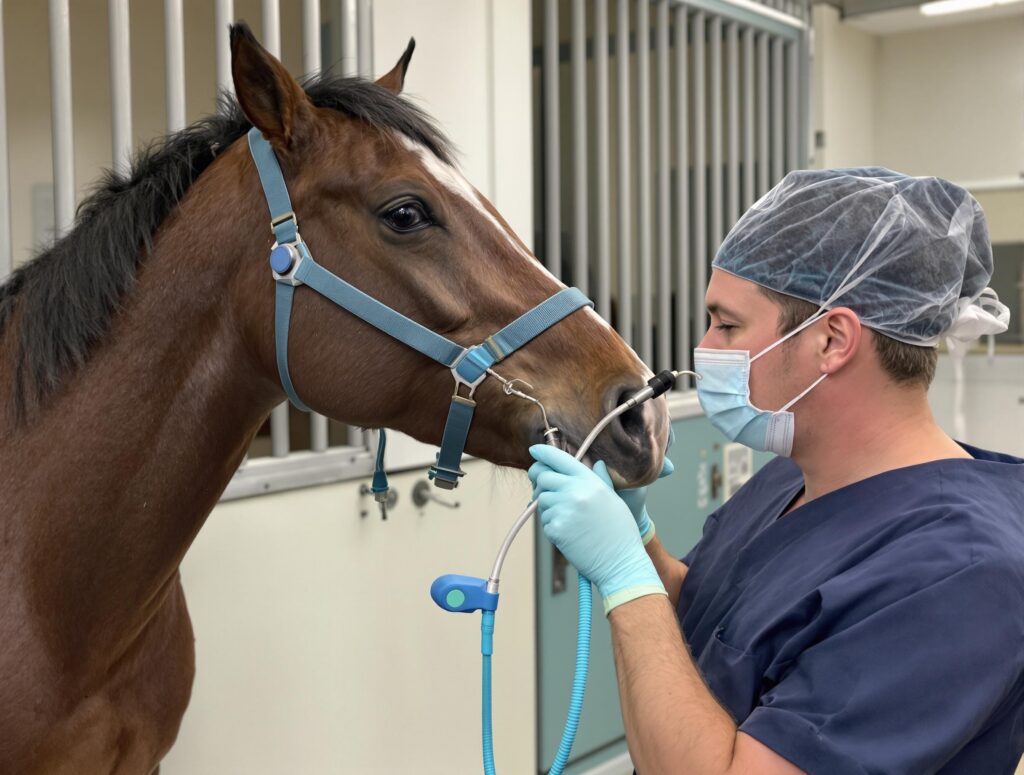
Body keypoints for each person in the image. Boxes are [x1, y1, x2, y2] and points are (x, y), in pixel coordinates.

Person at [529, 168, 1022, 774]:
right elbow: (726, 629)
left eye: (727, 324)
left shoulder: (958, 573)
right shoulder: (792, 479)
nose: (704, 348)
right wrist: (640, 547)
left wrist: (625, 578)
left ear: (832, 341)